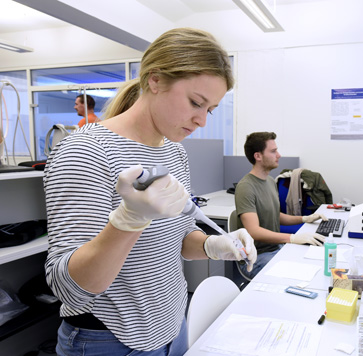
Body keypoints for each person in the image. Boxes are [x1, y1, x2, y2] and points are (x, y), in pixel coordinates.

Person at [44, 28, 257, 356]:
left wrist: (215, 246)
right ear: (155, 81)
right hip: (110, 341)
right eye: (195, 103)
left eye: (210, 109)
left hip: (173, 326)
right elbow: (70, 290)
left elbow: (179, 239)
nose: (201, 120)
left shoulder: (174, 151)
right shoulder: (86, 150)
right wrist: (128, 220)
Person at [234, 132, 327, 279]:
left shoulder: (270, 181)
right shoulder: (246, 187)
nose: (279, 155)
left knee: (316, 262)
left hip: (276, 248)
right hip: (256, 257)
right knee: (302, 275)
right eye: (273, 151)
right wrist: (292, 238)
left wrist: (304, 218)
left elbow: (275, 216)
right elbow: (254, 231)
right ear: (258, 156)